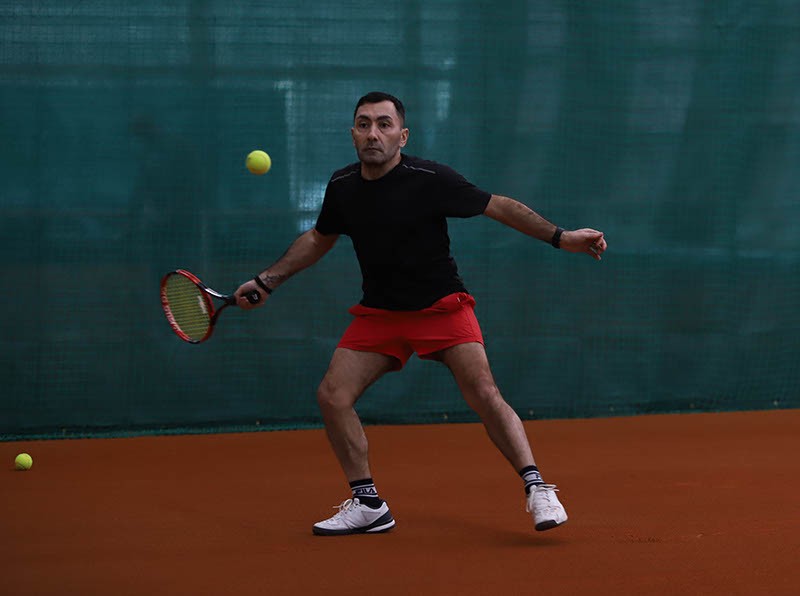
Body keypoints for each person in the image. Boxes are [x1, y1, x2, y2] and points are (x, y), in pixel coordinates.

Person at [235, 91, 607, 536]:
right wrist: (266, 281)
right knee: (332, 396)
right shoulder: (343, 186)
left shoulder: (431, 179)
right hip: (380, 314)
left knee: (484, 392)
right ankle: (368, 505)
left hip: (440, 307)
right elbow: (319, 238)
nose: (373, 134)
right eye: (364, 124)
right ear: (352, 134)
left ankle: (537, 487)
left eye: (384, 124)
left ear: (402, 135)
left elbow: (498, 206)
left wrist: (561, 237)